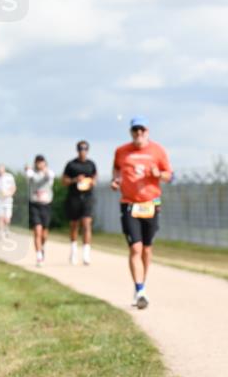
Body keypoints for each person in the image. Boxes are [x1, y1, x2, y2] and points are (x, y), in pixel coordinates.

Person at [112, 116, 172, 309]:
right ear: (131, 132)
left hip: (151, 204)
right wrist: (116, 180)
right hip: (129, 204)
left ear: (147, 131)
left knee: (146, 249)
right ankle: (139, 290)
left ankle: (142, 285)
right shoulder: (121, 151)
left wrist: (159, 175)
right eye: (135, 130)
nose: (139, 133)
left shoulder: (158, 150)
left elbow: (169, 175)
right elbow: (116, 169)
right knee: (135, 248)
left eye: (142, 130)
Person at [62, 140, 98, 265]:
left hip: (87, 197)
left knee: (87, 224)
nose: (83, 151)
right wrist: (74, 180)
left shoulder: (91, 164)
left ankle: (86, 254)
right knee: (74, 225)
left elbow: (95, 178)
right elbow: (64, 181)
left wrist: (91, 181)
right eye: (80, 149)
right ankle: (73, 251)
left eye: (85, 149)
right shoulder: (71, 165)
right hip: (74, 197)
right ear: (77, 150)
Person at [25, 155, 55, 267]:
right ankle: (38, 257)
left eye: (41, 162)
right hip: (34, 205)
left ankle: (41, 248)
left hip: (46, 205)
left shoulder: (49, 173)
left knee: (44, 234)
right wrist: (28, 169)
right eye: (37, 162)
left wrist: (44, 169)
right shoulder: (32, 174)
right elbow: (29, 175)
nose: (39, 164)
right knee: (37, 230)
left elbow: (49, 175)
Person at [0, 165, 16, 236]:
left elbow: (13, 188)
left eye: (1, 171)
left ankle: (7, 228)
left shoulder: (9, 177)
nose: (0, 172)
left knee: (7, 218)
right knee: (0, 216)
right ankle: (1, 232)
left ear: (4, 170)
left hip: (7, 199)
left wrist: (9, 194)